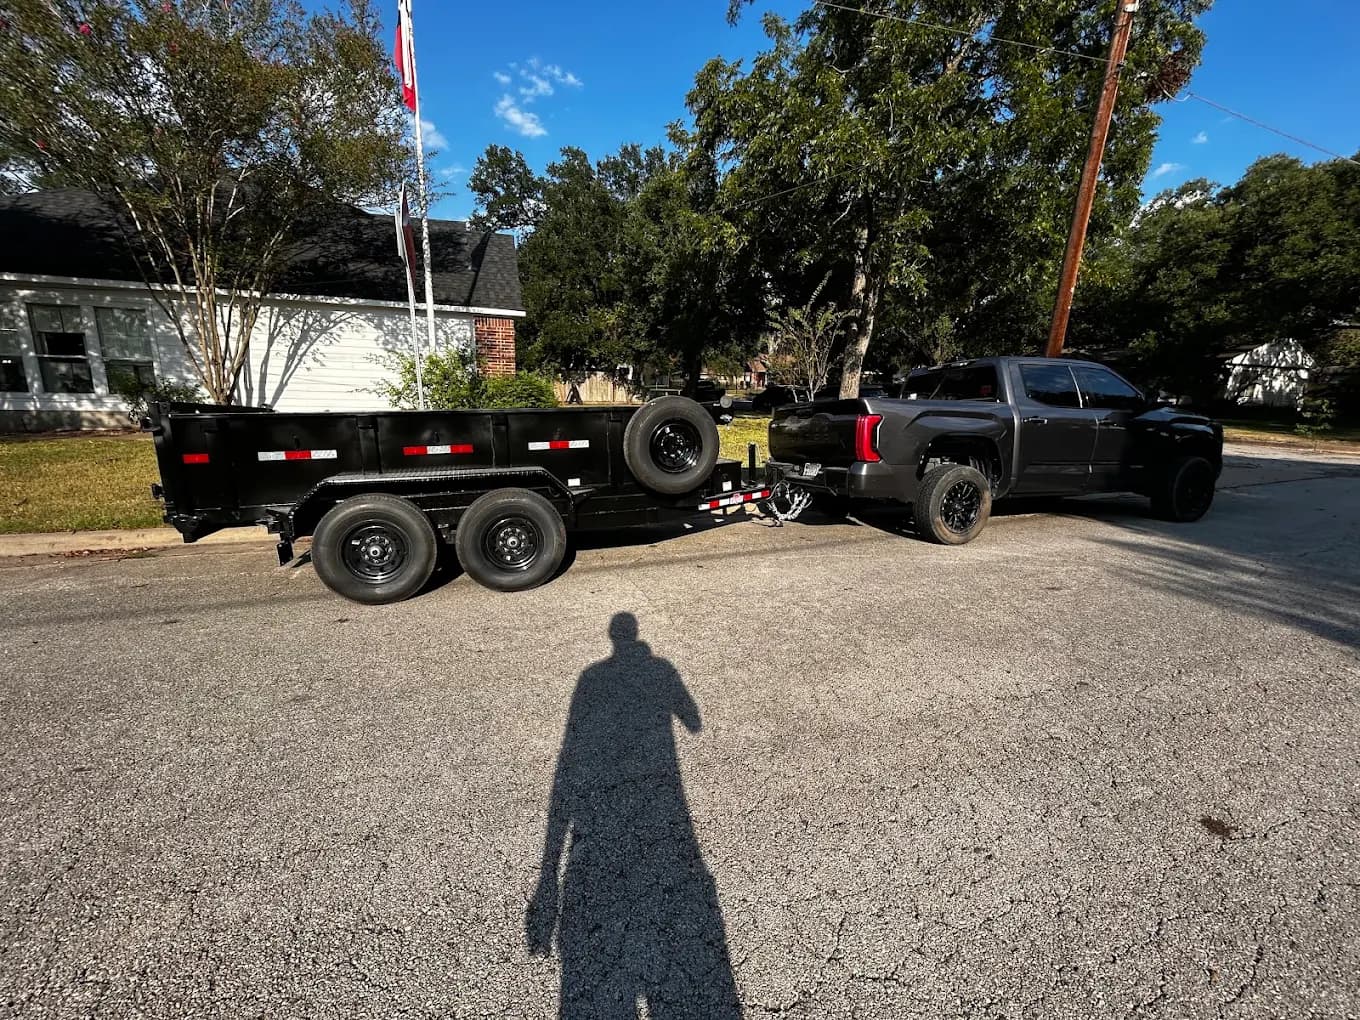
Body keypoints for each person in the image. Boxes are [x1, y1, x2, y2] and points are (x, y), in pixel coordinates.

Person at [527, 613, 741, 1019]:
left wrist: (547, 873)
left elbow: (572, 745)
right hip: (661, 791)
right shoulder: (659, 668)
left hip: (598, 807)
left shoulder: (591, 676)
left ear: (612, 637)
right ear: (634, 636)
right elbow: (692, 721)